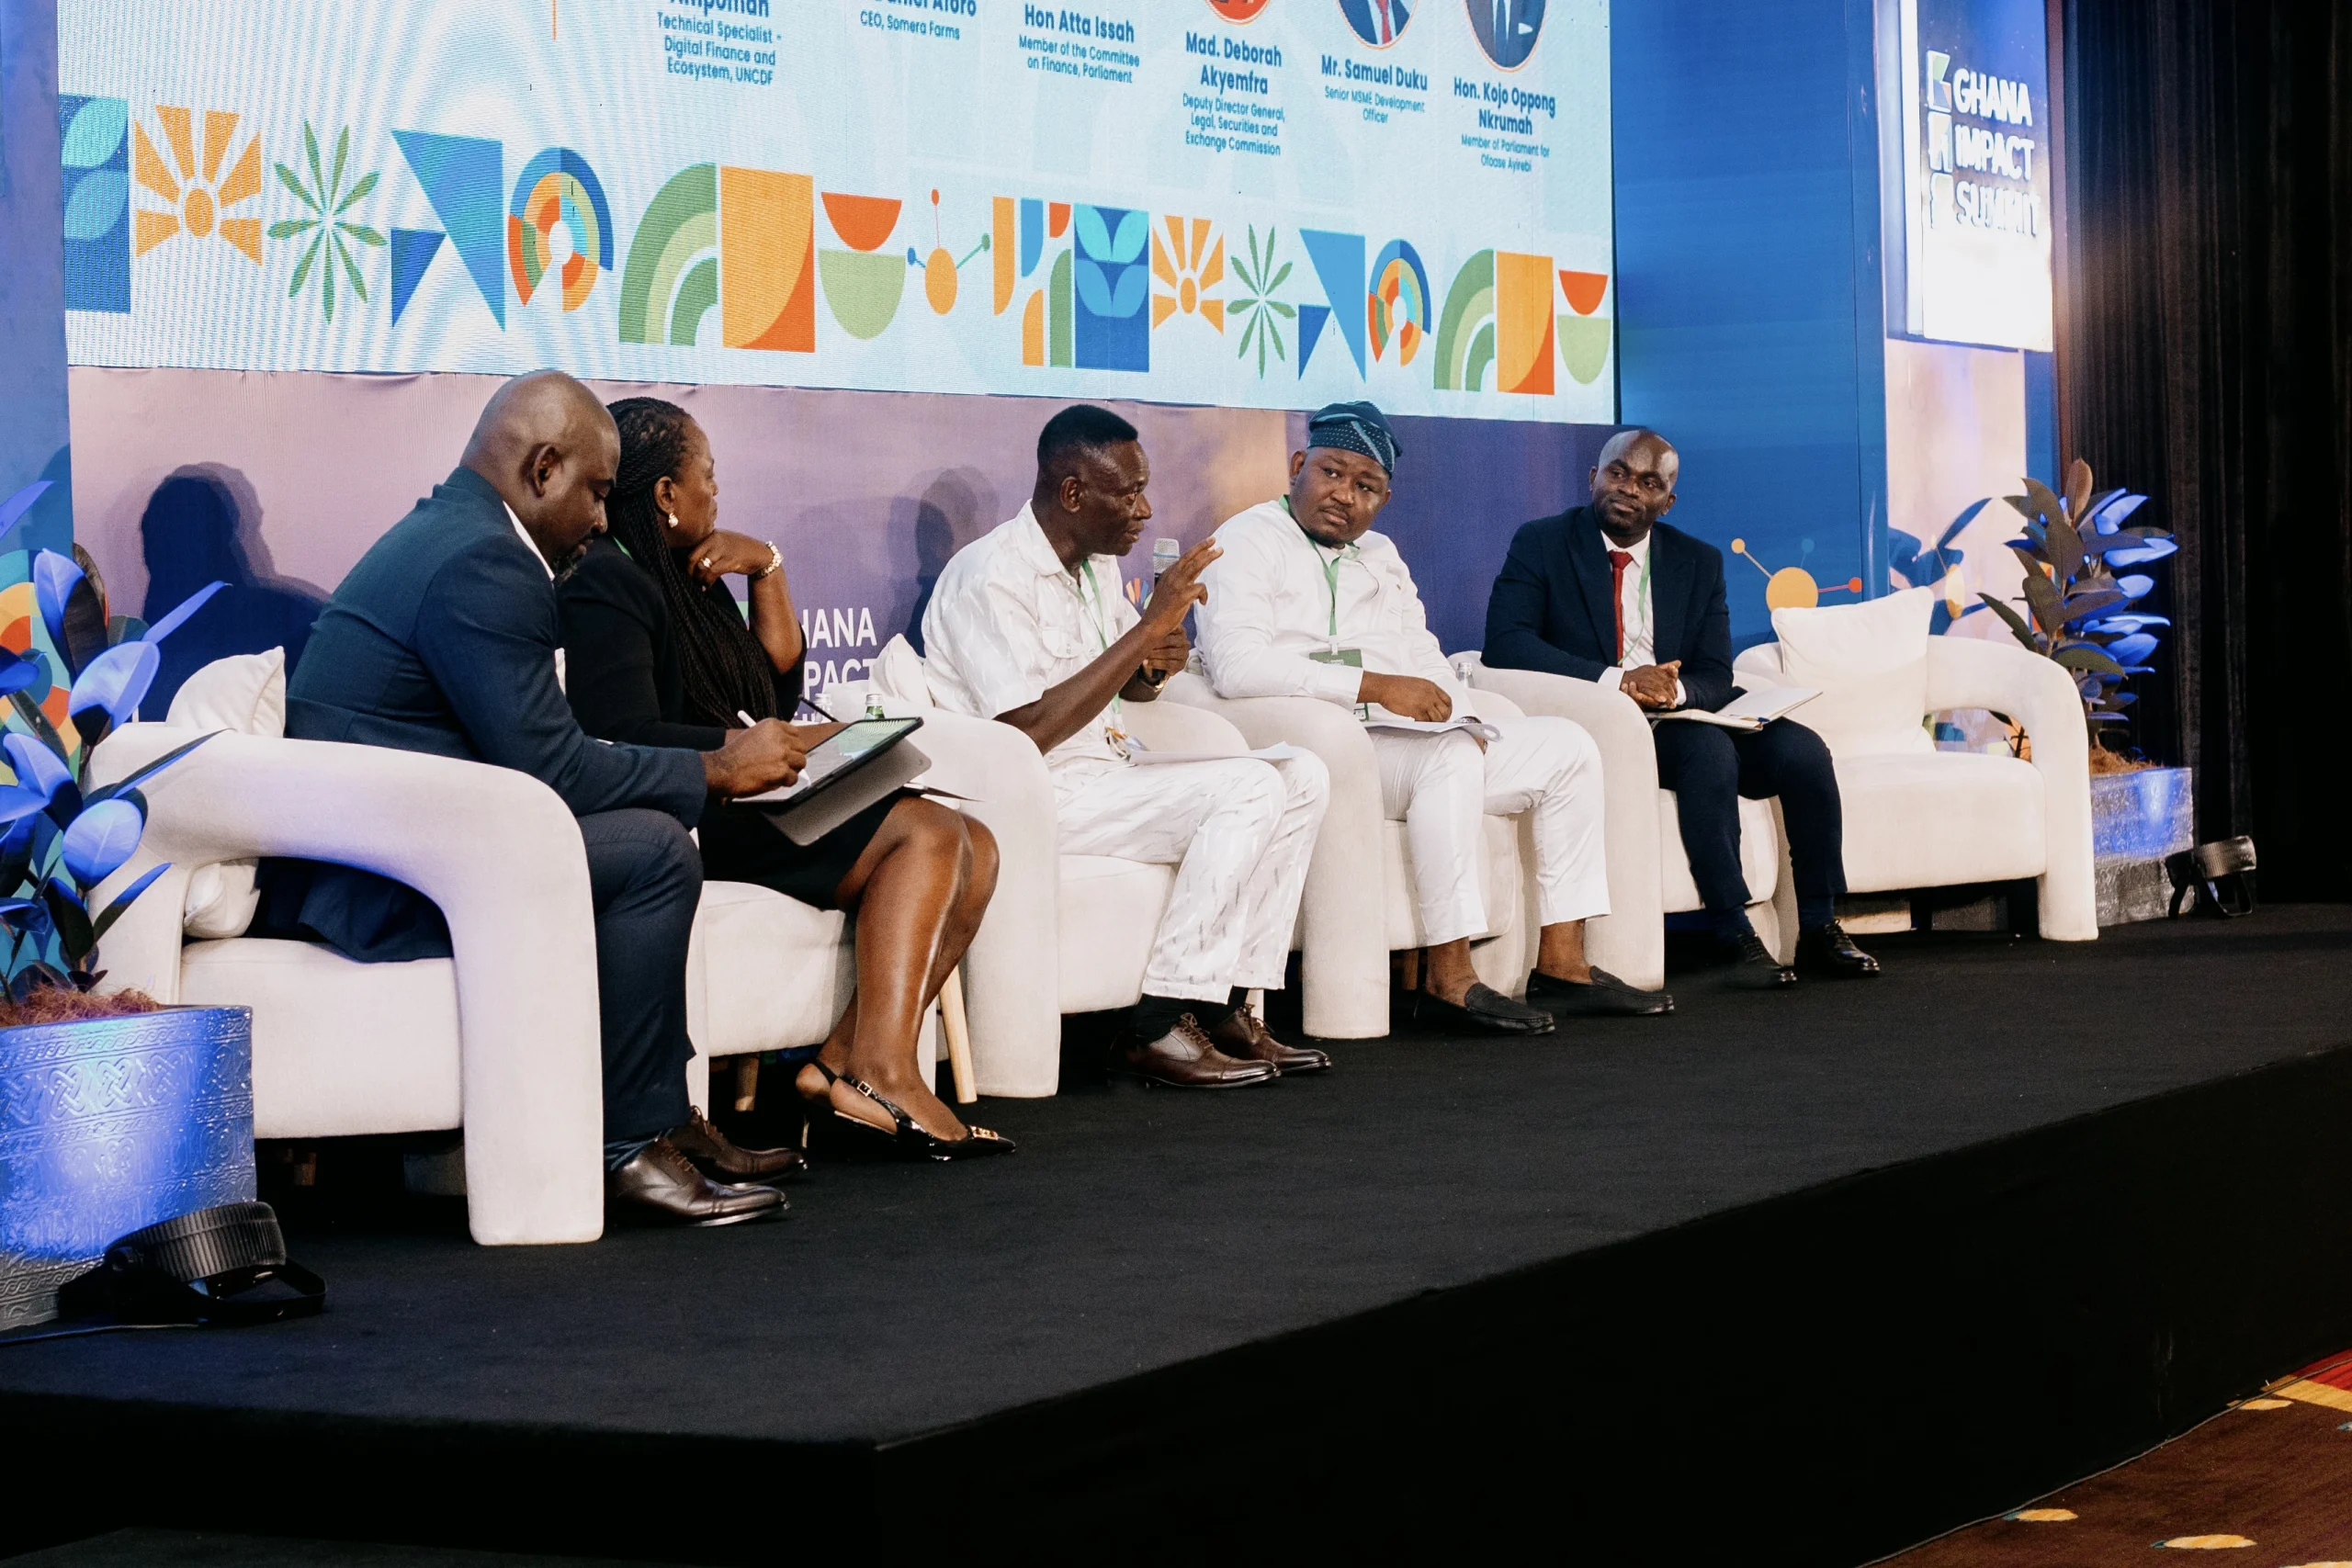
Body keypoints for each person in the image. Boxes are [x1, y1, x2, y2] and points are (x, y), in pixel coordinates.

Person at [260, 370, 811, 1227]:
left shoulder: (458, 531)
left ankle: (660, 1120)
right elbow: (552, 769)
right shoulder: (486, 561)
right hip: (380, 876)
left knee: (646, 832)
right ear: (543, 468)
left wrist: (696, 767)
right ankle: (625, 1148)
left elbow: (540, 754)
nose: (603, 518)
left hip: (406, 839)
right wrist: (714, 769)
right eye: (596, 491)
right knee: (653, 853)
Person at [559, 398, 1011, 1161]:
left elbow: (767, 688)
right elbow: (623, 736)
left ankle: (834, 1068)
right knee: (930, 831)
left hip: (756, 792)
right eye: (707, 476)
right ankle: (884, 1073)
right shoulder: (607, 582)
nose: (716, 491)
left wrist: (767, 568)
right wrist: (748, 749)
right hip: (697, 810)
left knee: (981, 844)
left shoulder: (690, 572)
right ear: (666, 493)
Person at [1194, 401, 1666, 1033]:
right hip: (1314, 745)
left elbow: (1423, 656)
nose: (1345, 496)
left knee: (1567, 747)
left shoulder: (1381, 554)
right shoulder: (1246, 539)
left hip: (1399, 741)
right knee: (1447, 759)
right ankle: (1450, 974)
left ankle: (1562, 962)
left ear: (1384, 499)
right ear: (1298, 465)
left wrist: (1462, 716)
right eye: (1331, 473)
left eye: (1366, 487)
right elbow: (1237, 667)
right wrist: (1374, 686)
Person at [922, 405, 1333, 1087]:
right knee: (1251, 785)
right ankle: (1157, 1027)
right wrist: (1143, 633)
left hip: (1107, 769)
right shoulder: (989, 577)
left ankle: (1228, 1005)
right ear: (1073, 493)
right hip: (1032, 798)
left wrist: (1155, 662)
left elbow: (1127, 686)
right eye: (1130, 493)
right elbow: (1022, 732)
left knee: (1301, 774)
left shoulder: (1095, 567)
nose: (1145, 510)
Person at [1482, 427, 1881, 986]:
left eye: (1649, 483)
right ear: (1593, 477)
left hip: (1680, 711)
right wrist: (1621, 682)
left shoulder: (1698, 562)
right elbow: (1506, 643)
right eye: (1618, 473)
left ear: (1667, 502)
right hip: (1604, 718)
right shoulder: (1543, 542)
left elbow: (1715, 672)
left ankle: (1818, 926)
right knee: (1706, 751)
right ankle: (1731, 931)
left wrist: (1675, 692)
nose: (1628, 489)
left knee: (1804, 752)